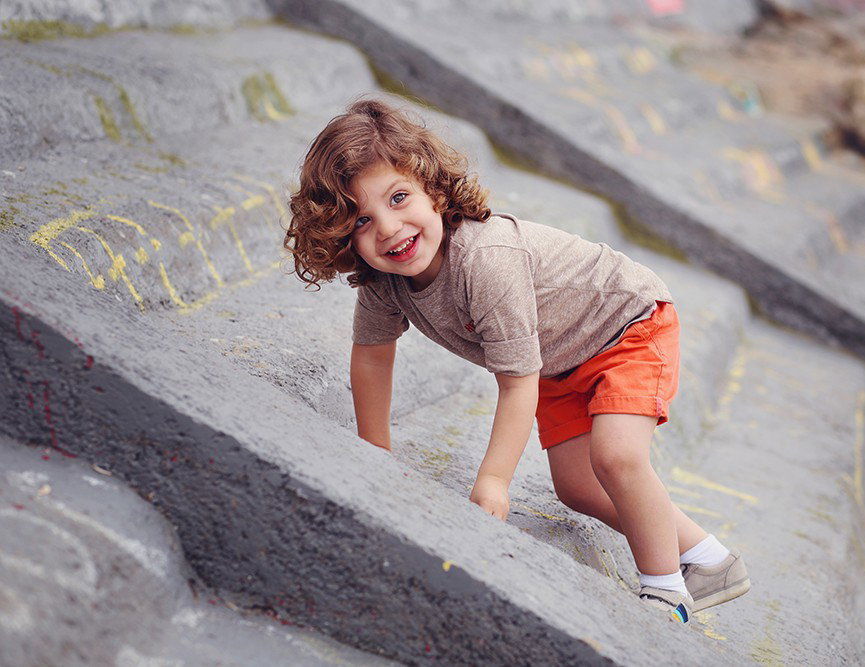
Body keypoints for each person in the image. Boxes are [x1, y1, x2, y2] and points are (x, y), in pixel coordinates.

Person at [285, 98, 749, 624]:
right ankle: (708, 558)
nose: (389, 228)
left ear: (432, 189)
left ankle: (666, 588)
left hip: (626, 326)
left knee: (617, 456)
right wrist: (375, 453)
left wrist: (494, 480)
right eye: (362, 219)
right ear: (340, 235)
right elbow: (371, 358)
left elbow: (516, 383)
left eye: (398, 198)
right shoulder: (383, 282)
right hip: (560, 359)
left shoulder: (485, 260)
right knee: (578, 488)